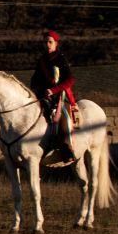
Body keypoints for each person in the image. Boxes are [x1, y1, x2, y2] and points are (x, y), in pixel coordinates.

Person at [30, 29, 77, 160]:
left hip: (59, 94)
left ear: (56, 43)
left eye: (50, 42)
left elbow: (71, 79)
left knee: (63, 117)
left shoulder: (61, 59)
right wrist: (34, 91)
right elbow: (35, 79)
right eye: (46, 42)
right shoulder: (42, 60)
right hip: (43, 95)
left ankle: (66, 147)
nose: (47, 45)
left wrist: (54, 90)